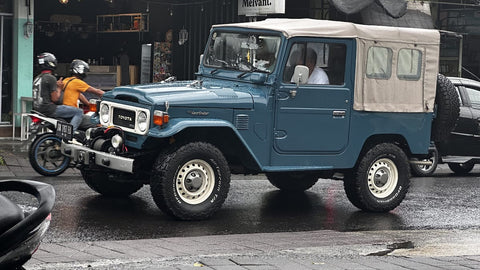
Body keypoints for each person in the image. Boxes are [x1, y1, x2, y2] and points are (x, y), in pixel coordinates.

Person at [32, 52, 84, 131]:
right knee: (79, 112)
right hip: (49, 109)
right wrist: (59, 88)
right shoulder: (50, 78)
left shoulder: (37, 78)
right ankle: (70, 134)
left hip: (38, 109)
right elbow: (55, 99)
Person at [62, 59, 105, 129]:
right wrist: (109, 95)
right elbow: (96, 91)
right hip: (73, 113)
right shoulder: (77, 82)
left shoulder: (66, 80)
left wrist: (89, 105)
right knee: (98, 122)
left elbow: (79, 95)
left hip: (65, 111)